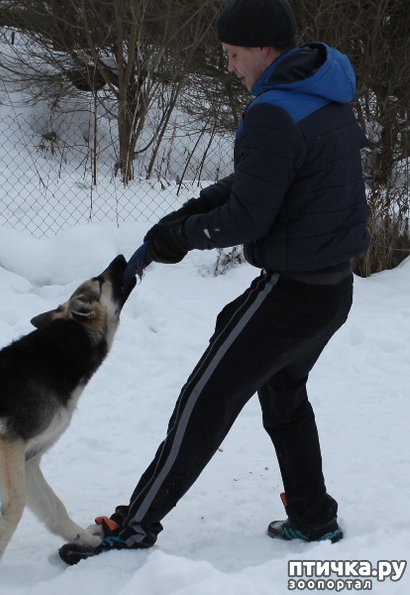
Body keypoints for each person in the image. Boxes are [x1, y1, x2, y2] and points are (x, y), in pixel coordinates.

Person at [58, 0, 370, 566]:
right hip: (331, 290)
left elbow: (248, 218)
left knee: (203, 402)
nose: (228, 66)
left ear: (263, 49)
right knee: (284, 395)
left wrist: (180, 238)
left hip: (291, 292)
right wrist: (195, 207)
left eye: (231, 54)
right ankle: (313, 516)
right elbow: (264, 177)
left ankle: (133, 527)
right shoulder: (326, 99)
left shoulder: (274, 110)